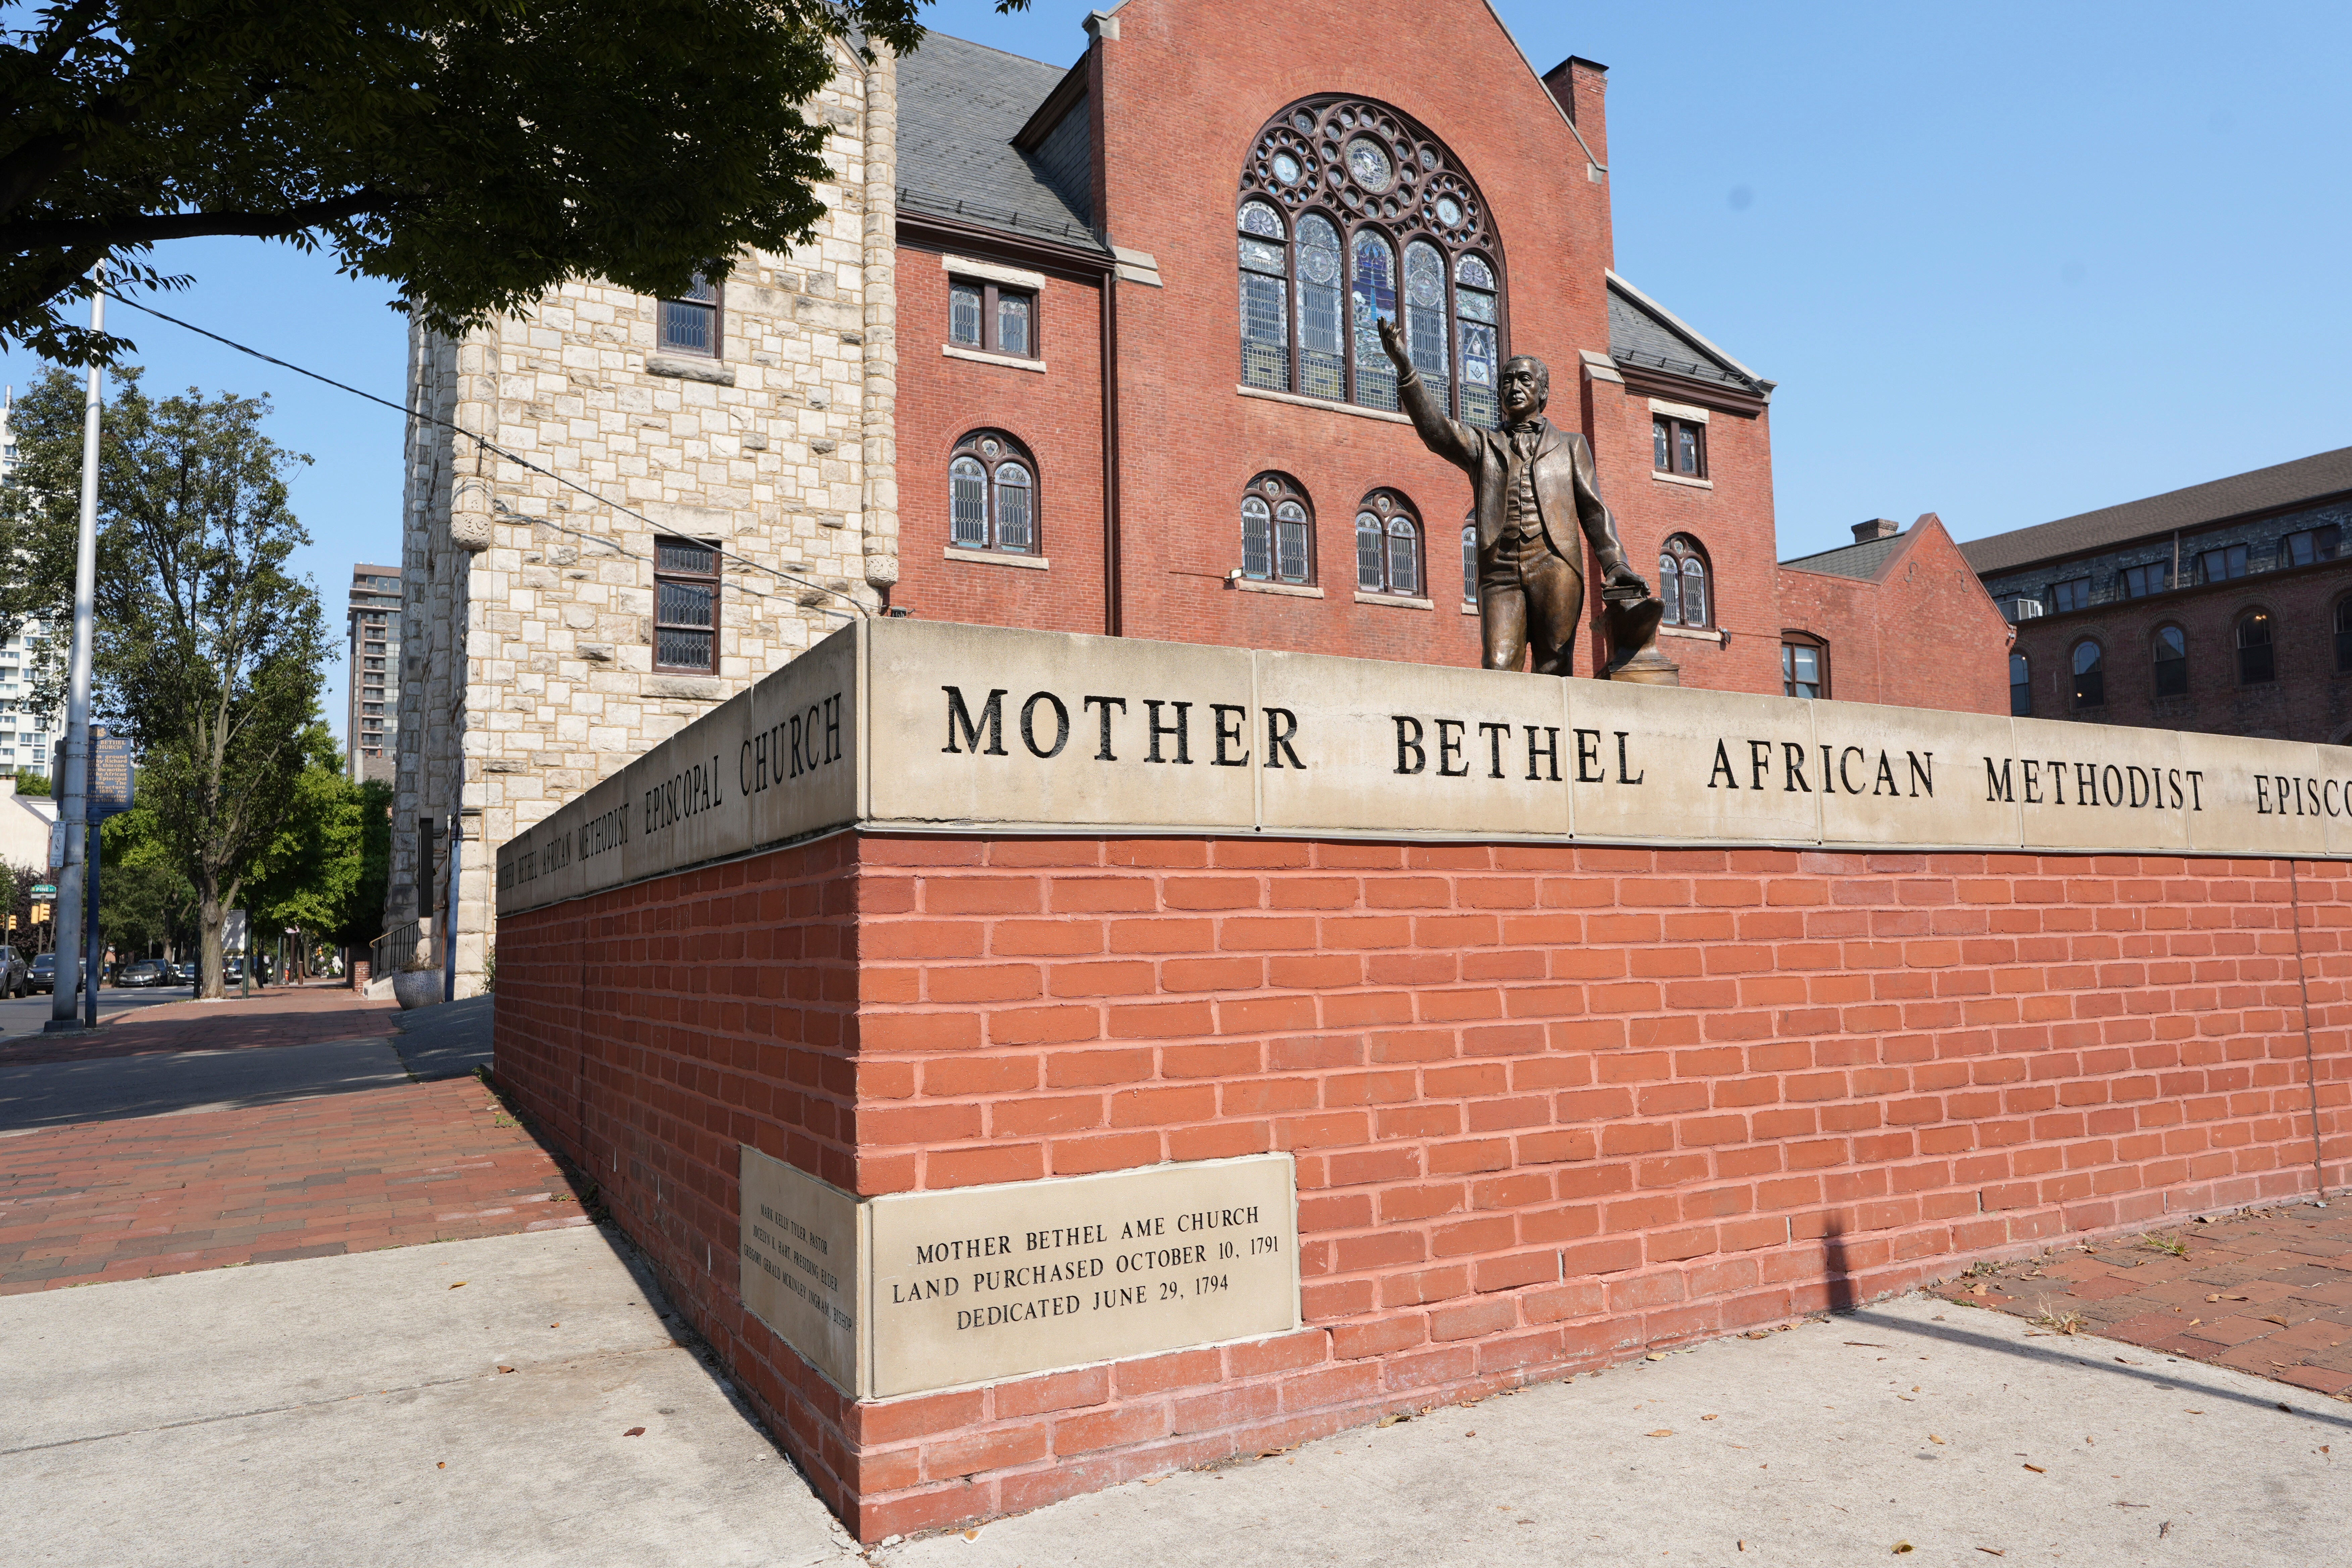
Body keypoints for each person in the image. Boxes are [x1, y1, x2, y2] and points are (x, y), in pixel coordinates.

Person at [1377, 317, 1647, 675]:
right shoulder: (1483, 446)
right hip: (1499, 567)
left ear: (1543, 393)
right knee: (1499, 665)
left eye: (1524, 379)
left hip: (1555, 561)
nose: (1514, 387)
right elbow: (1436, 431)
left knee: (1554, 663)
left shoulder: (1571, 445)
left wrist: (1616, 564)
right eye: (1506, 381)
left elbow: (1595, 511)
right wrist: (1406, 369)